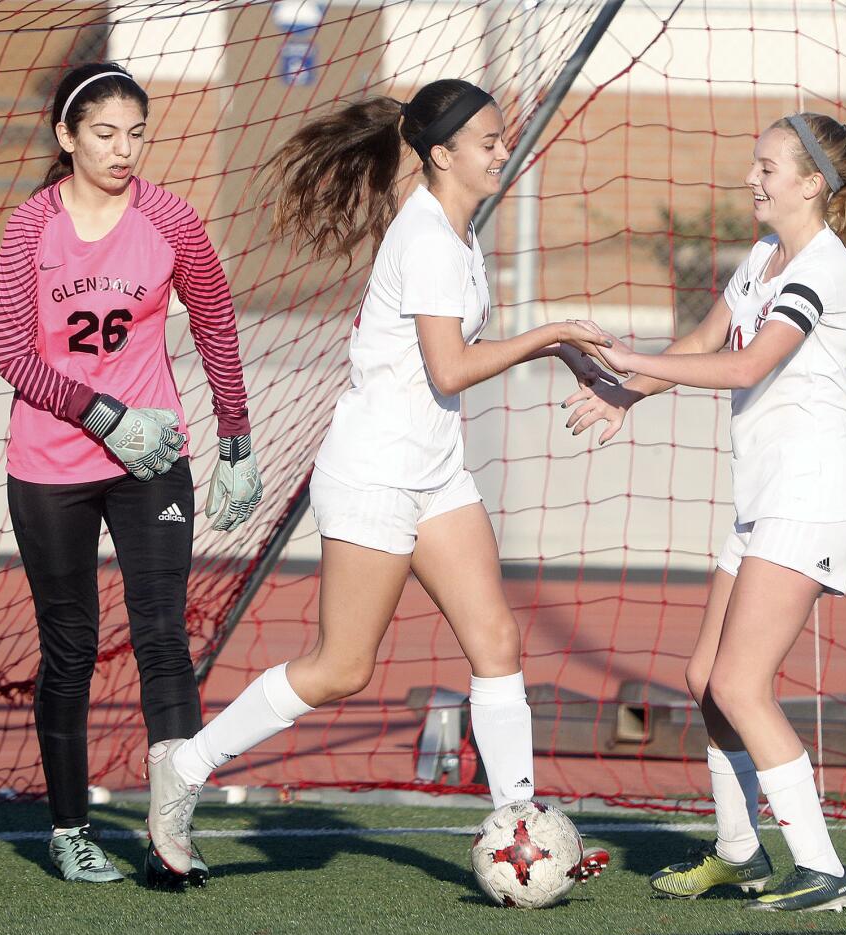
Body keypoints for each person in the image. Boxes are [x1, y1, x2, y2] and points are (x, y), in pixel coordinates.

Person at [145, 79, 613, 881]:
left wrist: (569, 356)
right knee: (340, 669)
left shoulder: (460, 237)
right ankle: (184, 769)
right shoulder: (428, 238)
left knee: (496, 641)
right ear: (441, 155)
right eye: (489, 140)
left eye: (502, 136)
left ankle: (520, 828)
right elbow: (451, 366)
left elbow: (451, 357)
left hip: (432, 470)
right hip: (374, 474)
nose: (503, 149)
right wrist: (553, 331)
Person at [566, 113, 846, 912]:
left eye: (769, 167)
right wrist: (621, 394)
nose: (753, 178)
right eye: (755, 164)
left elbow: (747, 362)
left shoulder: (824, 267)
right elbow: (708, 338)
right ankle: (740, 855)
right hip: (766, 501)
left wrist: (626, 358)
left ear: (812, 183)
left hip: (812, 498)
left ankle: (822, 871)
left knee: (742, 684)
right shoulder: (760, 258)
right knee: (704, 678)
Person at [0, 62, 263, 886]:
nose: (122, 150)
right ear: (66, 137)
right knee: (70, 647)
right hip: (52, 463)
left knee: (162, 639)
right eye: (104, 133)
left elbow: (215, 322)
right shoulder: (29, 226)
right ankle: (70, 829)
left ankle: (170, 833)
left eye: (136, 133)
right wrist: (104, 413)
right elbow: (13, 355)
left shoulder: (171, 219)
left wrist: (236, 441)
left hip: (153, 462)